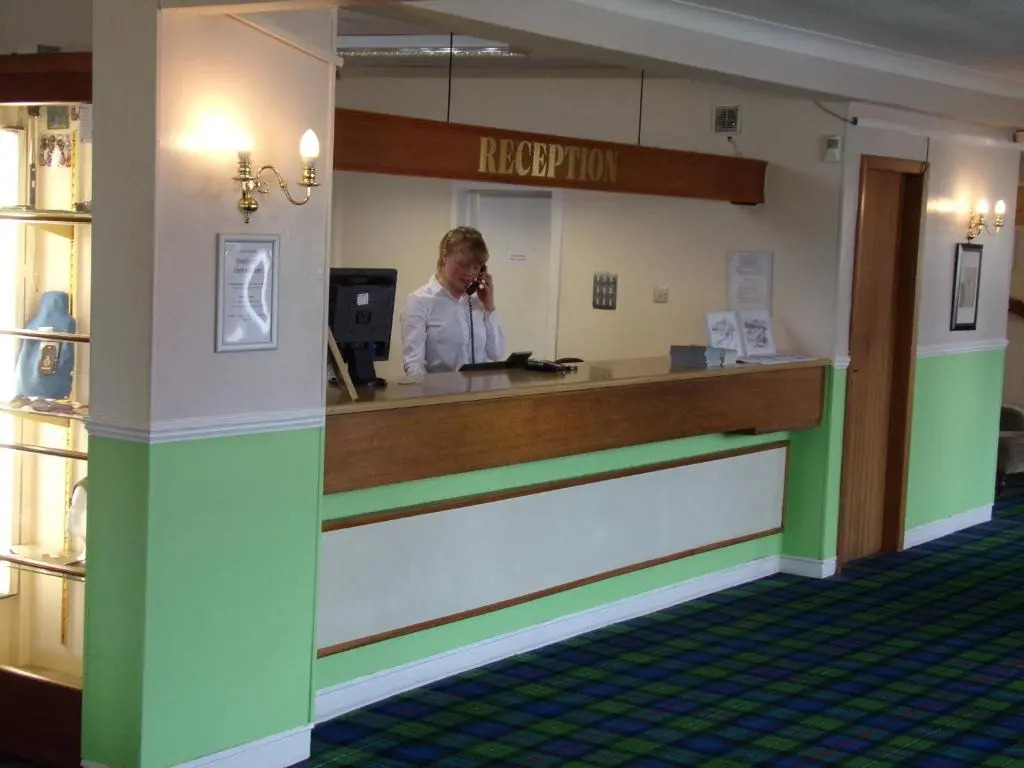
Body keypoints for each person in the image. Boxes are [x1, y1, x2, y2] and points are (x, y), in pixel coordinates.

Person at [401, 226, 506, 376]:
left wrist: (489, 307)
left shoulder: (476, 301)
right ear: (445, 257)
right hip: (439, 389)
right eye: (463, 265)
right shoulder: (419, 301)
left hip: (481, 388)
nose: (470, 273)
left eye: (476, 267)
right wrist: (427, 388)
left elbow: (496, 353)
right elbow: (413, 364)